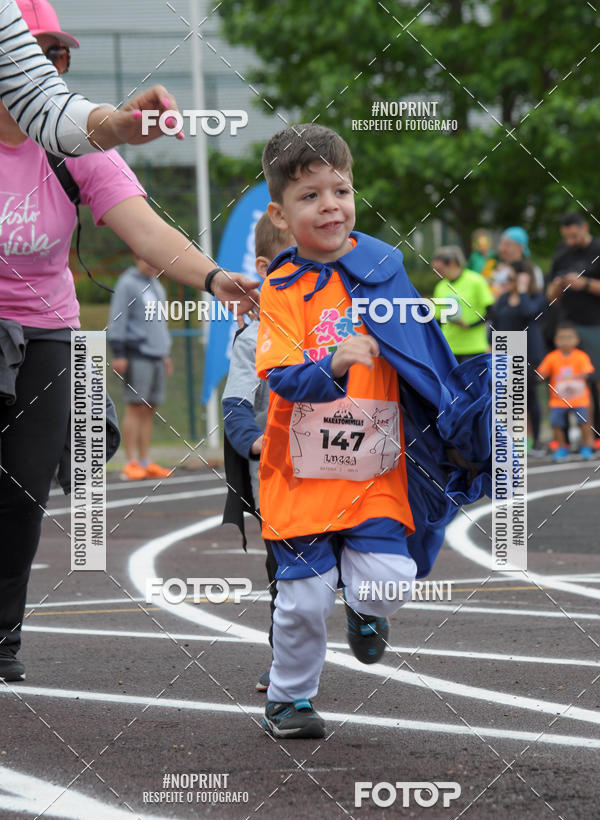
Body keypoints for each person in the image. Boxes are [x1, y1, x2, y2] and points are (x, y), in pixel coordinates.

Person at [0, 0, 258, 684]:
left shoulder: (67, 140)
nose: (52, 68)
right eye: (37, 54)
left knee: (24, 489)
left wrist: (214, 277)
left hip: (44, 327)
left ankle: (1, 640)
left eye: (60, 56)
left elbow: (145, 230)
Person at [255, 124, 492, 739]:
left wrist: (461, 413)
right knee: (305, 601)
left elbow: (426, 356)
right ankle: (289, 701)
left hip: (379, 466)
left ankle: (366, 613)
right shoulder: (279, 292)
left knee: (388, 580)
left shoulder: (386, 270)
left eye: (341, 189)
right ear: (281, 215)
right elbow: (280, 375)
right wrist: (332, 364)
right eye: (310, 196)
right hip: (301, 470)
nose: (330, 204)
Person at [221, 214, 293, 692]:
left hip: (343, 470)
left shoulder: (343, 321)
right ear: (266, 269)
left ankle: (365, 611)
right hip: (279, 476)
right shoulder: (253, 338)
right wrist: (255, 441)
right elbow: (235, 405)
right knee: (285, 575)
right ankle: (285, 664)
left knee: (360, 551)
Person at [1, 0, 184, 154]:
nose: (47, 70)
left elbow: (46, 107)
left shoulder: (80, 151)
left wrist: (115, 125)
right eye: (39, 58)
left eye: (58, 57)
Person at [108, 257, 174, 480]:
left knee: (150, 408)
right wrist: (119, 353)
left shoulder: (156, 285)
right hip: (137, 354)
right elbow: (118, 317)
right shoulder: (127, 283)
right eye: (146, 259)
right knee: (136, 406)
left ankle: (146, 461)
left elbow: (160, 323)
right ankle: (130, 462)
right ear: (136, 257)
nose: (152, 264)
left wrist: (165, 353)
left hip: (157, 355)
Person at [546, 212, 600, 449]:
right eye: (566, 236)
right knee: (564, 380)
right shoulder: (562, 253)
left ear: (584, 228)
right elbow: (550, 297)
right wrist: (559, 286)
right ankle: (565, 440)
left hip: (594, 324)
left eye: (574, 235)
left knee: (594, 380)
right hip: (567, 325)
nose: (570, 240)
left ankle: (596, 437)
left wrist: (585, 284)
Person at [488, 259, 547, 453]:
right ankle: (516, 439)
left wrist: (522, 291)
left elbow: (528, 312)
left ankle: (536, 439)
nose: (508, 281)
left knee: (529, 397)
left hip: (529, 352)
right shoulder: (504, 298)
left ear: (523, 278)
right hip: (507, 353)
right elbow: (495, 322)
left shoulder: (535, 297)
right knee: (510, 399)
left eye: (512, 277)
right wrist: (491, 344)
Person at [537, 324, 595, 462]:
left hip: (579, 399)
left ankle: (586, 446)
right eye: (561, 338)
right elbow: (542, 372)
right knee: (556, 424)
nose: (565, 341)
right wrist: (540, 376)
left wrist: (584, 374)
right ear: (556, 341)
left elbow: (589, 371)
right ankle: (562, 447)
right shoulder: (552, 357)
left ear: (576, 340)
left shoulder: (581, 357)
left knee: (584, 422)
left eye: (569, 337)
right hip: (558, 400)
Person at [431, 245, 494, 361]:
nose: (437, 273)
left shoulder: (476, 281)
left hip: (474, 348)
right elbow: (438, 320)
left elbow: (491, 312)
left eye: (439, 270)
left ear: (453, 263)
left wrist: (469, 325)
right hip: (449, 349)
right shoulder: (440, 287)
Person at [484, 226, 544, 300]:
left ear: (520, 248)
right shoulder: (495, 269)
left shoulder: (533, 271)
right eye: (501, 244)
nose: (501, 249)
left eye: (507, 245)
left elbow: (536, 301)